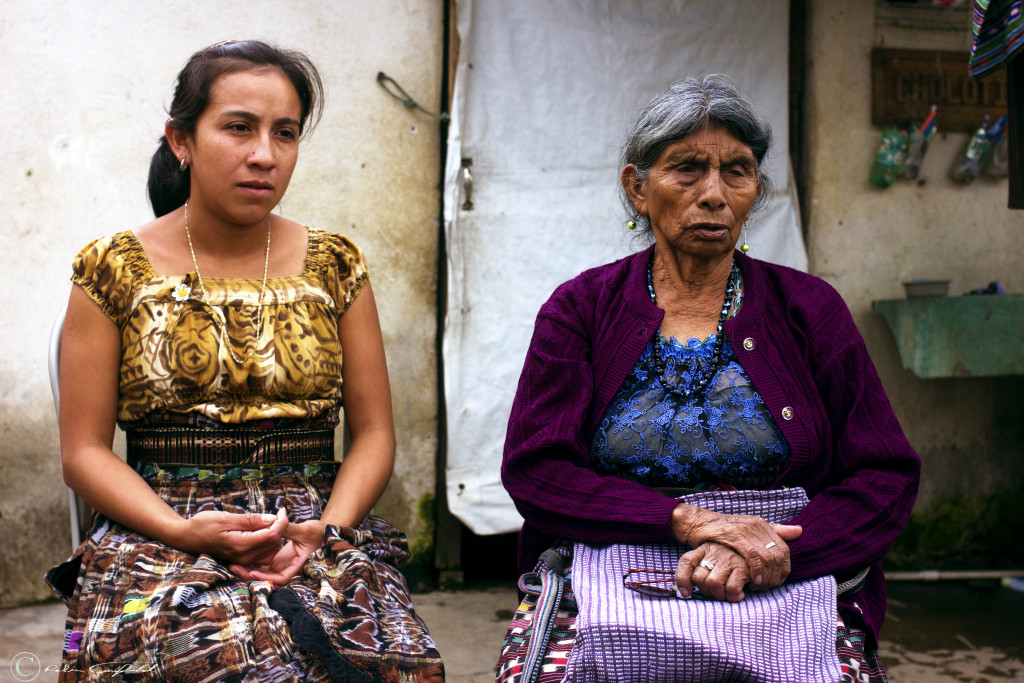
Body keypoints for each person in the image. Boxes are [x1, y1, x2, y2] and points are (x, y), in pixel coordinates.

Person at [45, 40, 444, 682]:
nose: (264, 154)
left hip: (312, 521)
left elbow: (373, 434)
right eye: (238, 127)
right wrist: (183, 531)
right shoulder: (113, 268)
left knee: (389, 664)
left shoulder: (335, 265)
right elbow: (84, 452)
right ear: (181, 140)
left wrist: (328, 530)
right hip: (161, 519)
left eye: (284, 133)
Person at [501, 75, 920, 679]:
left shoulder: (810, 308)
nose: (714, 195)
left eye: (737, 172)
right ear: (637, 188)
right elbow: (537, 471)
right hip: (613, 566)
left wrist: (766, 552)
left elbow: (885, 473)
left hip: (782, 567)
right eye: (687, 169)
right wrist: (688, 522)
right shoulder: (581, 308)